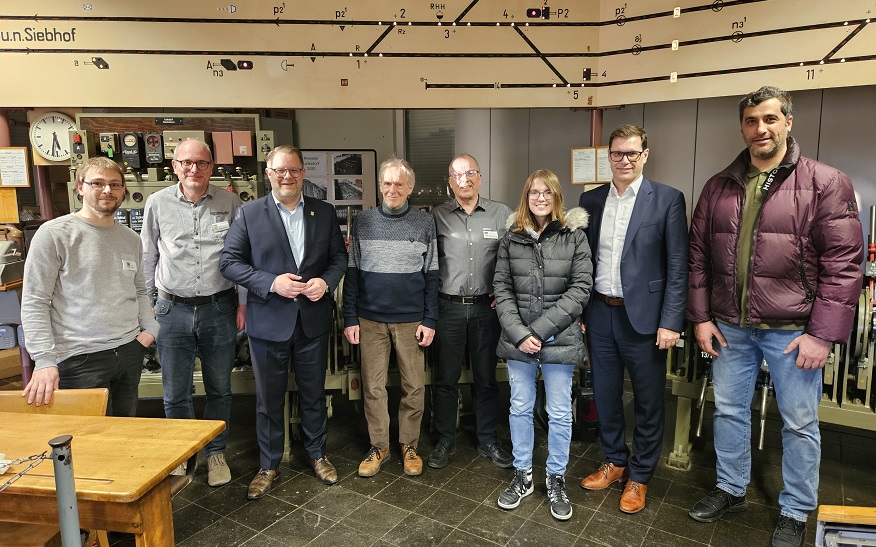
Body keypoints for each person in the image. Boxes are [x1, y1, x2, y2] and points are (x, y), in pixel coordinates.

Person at [686, 86, 863, 547]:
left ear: (788, 122)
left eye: (769, 119)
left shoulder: (825, 182)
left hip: (792, 332)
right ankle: (730, 487)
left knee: (800, 422)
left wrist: (821, 335)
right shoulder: (719, 185)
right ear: (742, 127)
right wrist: (702, 318)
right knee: (728, 410)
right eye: (750, 121)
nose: (759, 129)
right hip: (730, 327)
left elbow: (844, 266)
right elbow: (698, 258)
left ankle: (796, 509)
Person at [221, 144, 347, 499]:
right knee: (269, 399)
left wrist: (326, 281)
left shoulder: (323, 212)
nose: (287, 176)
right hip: (268, 324)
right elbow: (229, 263)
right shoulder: (249, 214)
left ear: (303, 172)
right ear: (268, 173)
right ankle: (269, 464)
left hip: (312, 322)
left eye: (293, 170)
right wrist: (271, 282)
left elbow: (339, 258)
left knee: (313, 394)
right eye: (280, 170)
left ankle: (317, 454)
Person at [578, 125, 688, 513]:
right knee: (606, 395)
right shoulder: (589, 200)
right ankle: (615, 461)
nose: (624, 160)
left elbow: (678, 265)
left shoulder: (668, 200)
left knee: (647, 401)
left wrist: (672, 321)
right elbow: (581, 260)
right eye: (616, 153)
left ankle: (639, 477)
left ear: (645, 155)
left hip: (645, 319)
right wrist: (580, 310)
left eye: (632, 153)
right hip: (600, 313)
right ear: (607, 156)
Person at [140, 139, 244, 487]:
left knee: (219, 388)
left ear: (212, 167)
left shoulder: (230, 202)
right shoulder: (157, 203)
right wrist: (149, 304)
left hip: (220, 307)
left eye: (201, 163)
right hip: (171, 308)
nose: (194, 169)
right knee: (175, 392)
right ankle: (182, 455)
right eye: (186, 162)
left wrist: (242, 302)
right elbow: (147, 256)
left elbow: (243, 257)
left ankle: (215, 453)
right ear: (174, 165)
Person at [21, 157, 159, 416]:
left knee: (123, 430)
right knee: (86, 439)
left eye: (114, 184)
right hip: (79, 359)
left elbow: (139, 290)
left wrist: (150, 329)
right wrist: (44, 359)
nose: (107, 190)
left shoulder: (130, 239)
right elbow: (35, 301)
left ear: (123, 191)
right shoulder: (54, 235)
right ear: (80, 187)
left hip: (129, 351)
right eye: (97, 183)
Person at [493, 169, 592, 521]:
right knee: (519, 407)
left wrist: (539, 330)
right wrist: (521, 334)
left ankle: (556, 477)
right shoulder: (512, 237)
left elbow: (581, 289)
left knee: (560, 411)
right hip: (519, 340)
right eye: (534, 192)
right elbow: (501, 290)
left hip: (559, 338)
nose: (540, 198)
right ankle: (523, 475)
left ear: (556, 197)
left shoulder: (574, 237)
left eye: (547, 192)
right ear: (526, 196)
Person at [342, 156, 439, 478]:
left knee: (414, 386)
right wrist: (350, 317)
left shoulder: (424, 223)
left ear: (410, 187)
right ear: (380, 186)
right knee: (373, 387)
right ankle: (379, 446)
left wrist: (430, 319)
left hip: (412, 320)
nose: (393, 189)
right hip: (370, 320)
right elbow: (352, 273)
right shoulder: (363, 222)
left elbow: (432, 275)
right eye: (387, 183)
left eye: (400, 183)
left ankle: (408, 445)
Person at [428, 153, 513, 470]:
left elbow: (514, 259)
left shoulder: (501, 213)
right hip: (448, 308)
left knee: (486, 378)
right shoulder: (437, 216)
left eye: (470, 173)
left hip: (485, 310)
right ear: (450, 181)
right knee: (446, 378)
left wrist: (503, 294)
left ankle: (487, 440)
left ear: (480, 177)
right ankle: (446, 439)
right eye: (457, 174)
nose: (464, 179)